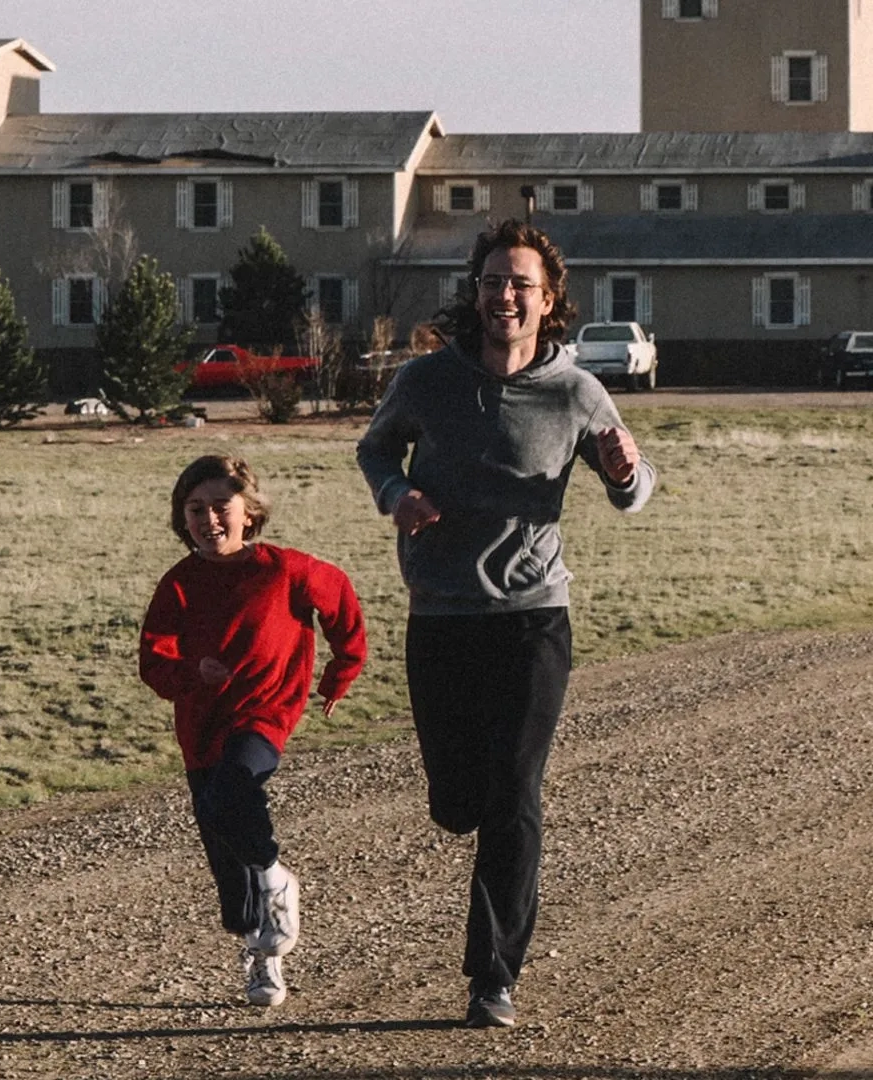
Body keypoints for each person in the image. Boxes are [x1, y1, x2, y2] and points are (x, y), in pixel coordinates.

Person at [356, 219, 656, 1028]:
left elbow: (633, 485)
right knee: (459, 801)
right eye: (493, 281)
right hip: (443, 614)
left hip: (532, 618)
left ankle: (493, 977)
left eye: (522, 283)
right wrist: (396, 495)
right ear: (476, 292)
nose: (505, 296)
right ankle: (463, 807)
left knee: (517, 791)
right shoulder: (427, 381)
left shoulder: (574, 390)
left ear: (548, 299)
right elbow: (376, 450)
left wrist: (628, 474)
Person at [139, 454, 367, 1008]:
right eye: (196, 509)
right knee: (224, 855)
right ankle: (260, 951)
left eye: (222, 507)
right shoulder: (179, 584)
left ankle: (274, 878)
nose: (209, 519)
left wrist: (342, 671)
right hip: (201, 728)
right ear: (182, 517)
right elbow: (153, 662)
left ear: (250, 513)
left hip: (265, 714)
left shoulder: (284, 569)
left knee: (234, 788)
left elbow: (340, 603)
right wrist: (194, 671)